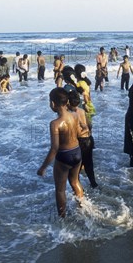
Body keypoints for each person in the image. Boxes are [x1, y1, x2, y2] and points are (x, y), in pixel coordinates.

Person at [37, 88, 84, 218]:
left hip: (64, 156)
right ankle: (82, 208)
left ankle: (62, 218)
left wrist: (43, 167)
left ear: (53, 103)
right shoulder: (75, 115)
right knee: (75, 182)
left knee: (60, 189)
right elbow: (80, 133)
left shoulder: (55, 124)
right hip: (77, 152)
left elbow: (54, 148)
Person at [68, 91, 98, 188]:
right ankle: (94, 185)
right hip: (88, 140)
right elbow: (89, 125)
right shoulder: (82, 111)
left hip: (80, 142)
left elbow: (76, 131)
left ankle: (78, 190)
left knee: (75, 169)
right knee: (89, 166)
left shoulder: (71, 114)